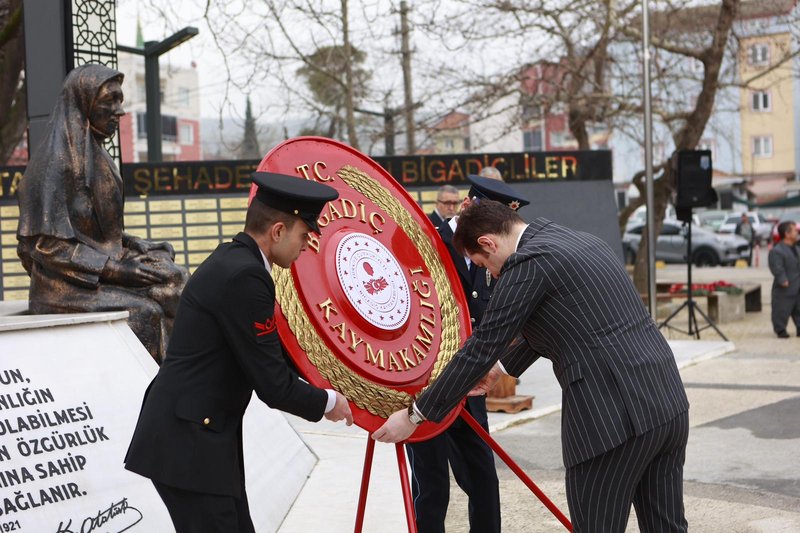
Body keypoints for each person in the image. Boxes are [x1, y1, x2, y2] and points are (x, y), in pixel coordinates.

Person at [375, 200, 690, 533]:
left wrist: (416, 415)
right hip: (667, 402)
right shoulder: (580, 241)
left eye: (485, 264)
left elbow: (481, 346)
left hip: (611, 417)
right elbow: (569, 322)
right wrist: (500, 367)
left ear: (488, 243)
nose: (492, 274)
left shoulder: (528, 263)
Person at [125, 172, 354, 533]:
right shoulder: (245, 277)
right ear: (277, 231)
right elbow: (272, 383)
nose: (307, 246)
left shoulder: (236, 260)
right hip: (189, 444)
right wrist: (329, 402)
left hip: (198, 436)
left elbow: (266, 349)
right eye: (304, 235)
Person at [16, 63, 188, 362]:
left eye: (119, 100)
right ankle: (151, 397)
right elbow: (45, 245)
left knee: (177, 282)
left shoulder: (97, 156)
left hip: (97, 269)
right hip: (64, 286)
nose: (119, 111)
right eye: (110, 100)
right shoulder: (52, 165)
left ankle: (188, 382)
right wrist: (116, 270)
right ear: (83, 103)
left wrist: (135, 246)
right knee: (144, 312)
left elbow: (96, 233)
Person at [407, 174, 529, 533]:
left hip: (468, 388)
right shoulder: (429, 242)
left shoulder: (497, 247)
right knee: (432, 489)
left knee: (484, 481)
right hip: (428, 384)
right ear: (467, 206)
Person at [767, 221, 800, 338]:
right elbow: (777, 267)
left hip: (797, 285)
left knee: (798, 309)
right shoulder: (777, 251)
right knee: (781, 308)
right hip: (785, 287)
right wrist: (782, 279)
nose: (797, 232)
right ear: (787, 234)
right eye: (795, 230)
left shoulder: (797, 248)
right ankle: (780, 329)